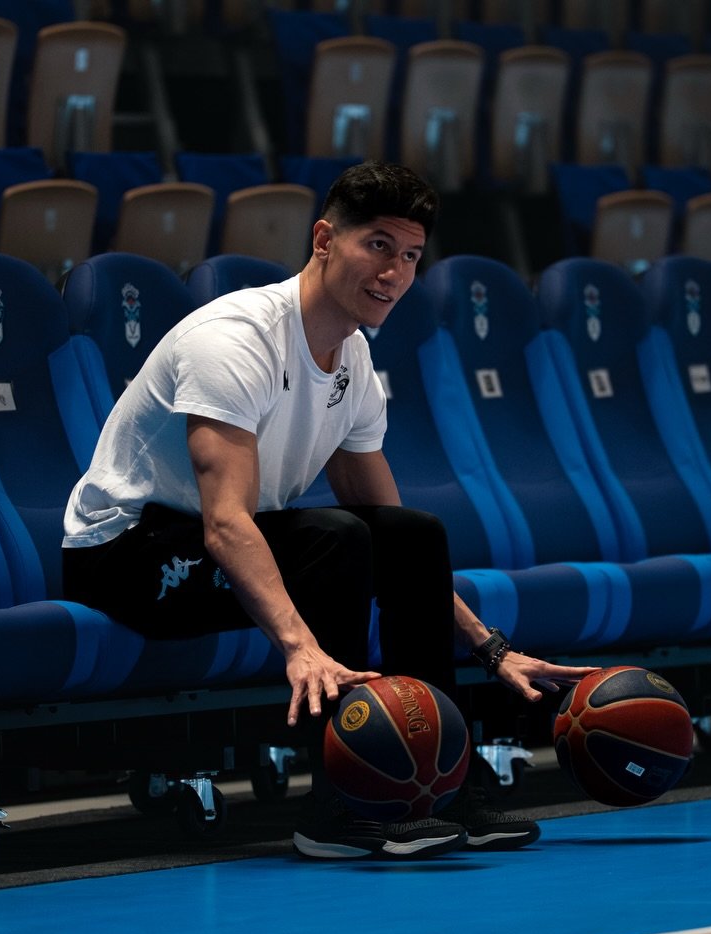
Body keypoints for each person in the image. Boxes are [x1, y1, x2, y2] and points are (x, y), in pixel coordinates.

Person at [62, 161, 596, 860]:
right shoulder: (236, 341)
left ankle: (439, 781)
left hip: (205, 540)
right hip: (124, 552)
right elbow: (226, 521)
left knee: (410, 531)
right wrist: (298, 644)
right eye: (377, 245)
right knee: (335, 539)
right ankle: (340, 806)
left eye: (409, 256)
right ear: (323, 239)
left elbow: (400, 544)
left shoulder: (353, 365)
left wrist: (487, 645)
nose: (395, 273)